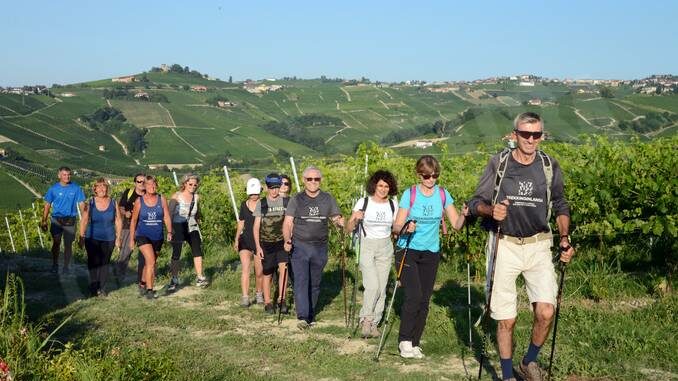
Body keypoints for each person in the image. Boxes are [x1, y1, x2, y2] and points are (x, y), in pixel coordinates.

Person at [468, 112, 574, 381]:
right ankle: (507, 376)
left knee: (546, 311)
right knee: (506, 319)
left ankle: (528, 361)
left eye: (536, 134)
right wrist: (490, 210)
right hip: (504, 244)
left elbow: (560, 204)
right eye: (525, 134)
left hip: (539, 243)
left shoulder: (549, 166)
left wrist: (564, 237)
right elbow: (474, 203)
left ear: (541, 136)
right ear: (514, 135)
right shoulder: (499, 163)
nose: (530, 139)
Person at [391, 155, 466, 359]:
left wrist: (465, 214)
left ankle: (415, 343)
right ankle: (404, 340)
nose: (431, 179)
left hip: (431, 252)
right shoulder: (411, 194)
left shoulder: (443, 194)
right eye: (426, 176)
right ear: (419, 175)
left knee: (424, 300)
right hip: (407, 249)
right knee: (413, 296)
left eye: (434, 176)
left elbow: (456, 225)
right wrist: (406, 227)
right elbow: (396, 226)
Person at [283, 166, 345, 330]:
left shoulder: (327, 198)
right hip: (300, 246)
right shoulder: (296, 199)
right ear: (304, 180)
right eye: (309, 179)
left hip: (320, 247)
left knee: (315, 283)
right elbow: (288, 222)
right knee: (301, 281)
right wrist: (287, 239)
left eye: (316, 179)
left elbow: (336, 218)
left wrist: (343, 223)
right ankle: (303, 316)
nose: (313, 182)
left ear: (320, 180)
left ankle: (310, 313)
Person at [345, 170, 398, 338]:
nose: (383, 189)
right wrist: (355, 219)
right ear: (374, 185)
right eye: (380, 185)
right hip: (366, 245)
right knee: (372, 286)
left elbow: (396, 228)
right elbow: (348, 229)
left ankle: (375, 322)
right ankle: (366, 320)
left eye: (386, 186)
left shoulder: (393, 204)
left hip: (385, 246)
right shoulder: (364, 202)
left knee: (382, 289)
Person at [129, 175, 172, 300]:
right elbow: (133, 221)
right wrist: (132, 239)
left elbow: (166, 216)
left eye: (154, 184)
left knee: (150, 263)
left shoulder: (161, 199)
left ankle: (142, 284)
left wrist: (169, 231)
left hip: (157, 236)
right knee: (151, 261)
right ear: (145, 186)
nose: (151, 187)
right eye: (148, 184)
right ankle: (150, 290)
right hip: (142, 235)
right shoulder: (139, 201)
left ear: (156, 185)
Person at [253, 173, 290, 314]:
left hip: (282, 242)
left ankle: (282, 299)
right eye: (271, 188)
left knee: (283, 270)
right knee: (267, 272)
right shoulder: (261, 204)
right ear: (267, 187)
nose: (274, 191)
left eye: (276, 187)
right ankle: (268, 302)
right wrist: (258, 247)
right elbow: (256, 227)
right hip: (266, 243)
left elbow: (289, 222)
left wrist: (288, 240)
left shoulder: (286, 202)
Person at [78, 178, 122, 297]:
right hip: (92, 237)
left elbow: (118, 220)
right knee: (93, 262)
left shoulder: (113, 202)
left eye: (104, 186)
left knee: (105, 262)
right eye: (99, 186)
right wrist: (81, 237)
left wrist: (118, 238)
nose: (102, 188)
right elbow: (84, 220)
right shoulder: (90, 202)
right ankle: (93, 285)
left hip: (109, 238)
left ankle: (102, 288)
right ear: (95, 189)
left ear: (107, 188)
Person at [41, 166, 86, 274]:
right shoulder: (53, 189)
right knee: (56, 242)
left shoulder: (76, 188)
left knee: (68, 244)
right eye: (65, 175)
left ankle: (66, 266)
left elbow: (82, 205)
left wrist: (85, 220)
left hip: (70, 219)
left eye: (69, 174)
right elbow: (47, 205)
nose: (67, 177)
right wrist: (43, 220)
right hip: (56, 219)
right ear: (59, 175)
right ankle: (55, 264)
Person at [167, 174, 208, 292]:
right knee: (177, 252)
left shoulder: (197, 197)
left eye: (195, 184)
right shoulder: (176, 196)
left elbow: (197, 211)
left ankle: (200, 277)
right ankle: (174, 279)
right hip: (178, 225)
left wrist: (199, 219)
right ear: (184, 184)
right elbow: (168, 214)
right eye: (190, 184)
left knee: (197, 250)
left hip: (191, 225)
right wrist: (170, 230)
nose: (193, 186)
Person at [235, 178, 264, 307]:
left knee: (259, 271)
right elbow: (241, 222)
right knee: (246, 268)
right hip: (245, 239)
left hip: (259, 240)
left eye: (256, 193)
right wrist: (236, 239)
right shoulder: (243, 204)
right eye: (251, 194)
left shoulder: (264, 204)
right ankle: (245, 297)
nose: (254, 196)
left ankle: (259, 294)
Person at [116, 173, 146, 287]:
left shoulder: (149, 195)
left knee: (144, 253)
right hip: (128, 226)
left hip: (144, 227)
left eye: (144, 181)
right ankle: (119, 276)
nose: (141, 184)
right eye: (139, 181)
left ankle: (142, 279)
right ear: (135, 183)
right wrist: (126, 213)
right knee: (125, 252)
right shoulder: (129, 193)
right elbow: (120, 207)